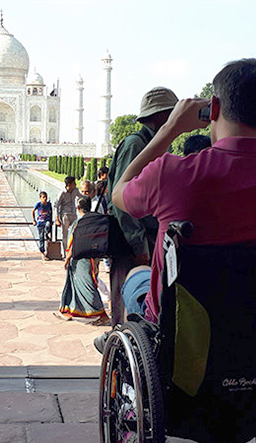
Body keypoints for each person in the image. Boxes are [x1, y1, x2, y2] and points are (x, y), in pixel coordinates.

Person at [113, 59, 256, 326]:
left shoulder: (173, 174)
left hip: (183, 331)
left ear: (214, 108)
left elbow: (119, 193)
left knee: (137, 276)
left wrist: (169, 129)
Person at [105, 87, 178, 332]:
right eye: (172, 115)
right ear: (160, 116)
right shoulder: (136, 146)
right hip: (133, 242)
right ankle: (122, 361)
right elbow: (121, 201)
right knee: (128, 301)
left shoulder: (154, 146)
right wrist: (139, 246)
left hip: (147, 238)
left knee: (146, 302)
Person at [54, 196, 109, 325]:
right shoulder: (93, 221)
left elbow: (72, 242)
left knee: (87, 286)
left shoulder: (79, 223)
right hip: (90, 258)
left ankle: (102, 314)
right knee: (74, 284)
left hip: (79, 260)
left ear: (78, 208)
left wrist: (67, 259)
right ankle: (67, 310)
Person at [55, 176, 79, 249]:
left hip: (74, 214)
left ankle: (73, 250)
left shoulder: (75, 190)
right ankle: (66, 251)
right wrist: (57, 219)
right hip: (65, 215)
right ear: (69, 185)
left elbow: (81, 197)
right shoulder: (62, 193)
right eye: (74, 183)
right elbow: (56, 206)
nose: (75, 185)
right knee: (65, 235)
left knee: (75, 233)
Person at [33, 191, 53, 260]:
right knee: (41, 238)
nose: (45, 199)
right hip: (40, 222)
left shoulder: (49, 204)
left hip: (46, 220)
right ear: (40, 198)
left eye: (46, 197)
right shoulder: (38, 204)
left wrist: (51, 220)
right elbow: (33, 211)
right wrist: (34, 220)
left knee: (47, 225)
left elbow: (51, 212)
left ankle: (47, 233)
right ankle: (42, 252)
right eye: (43, 197)